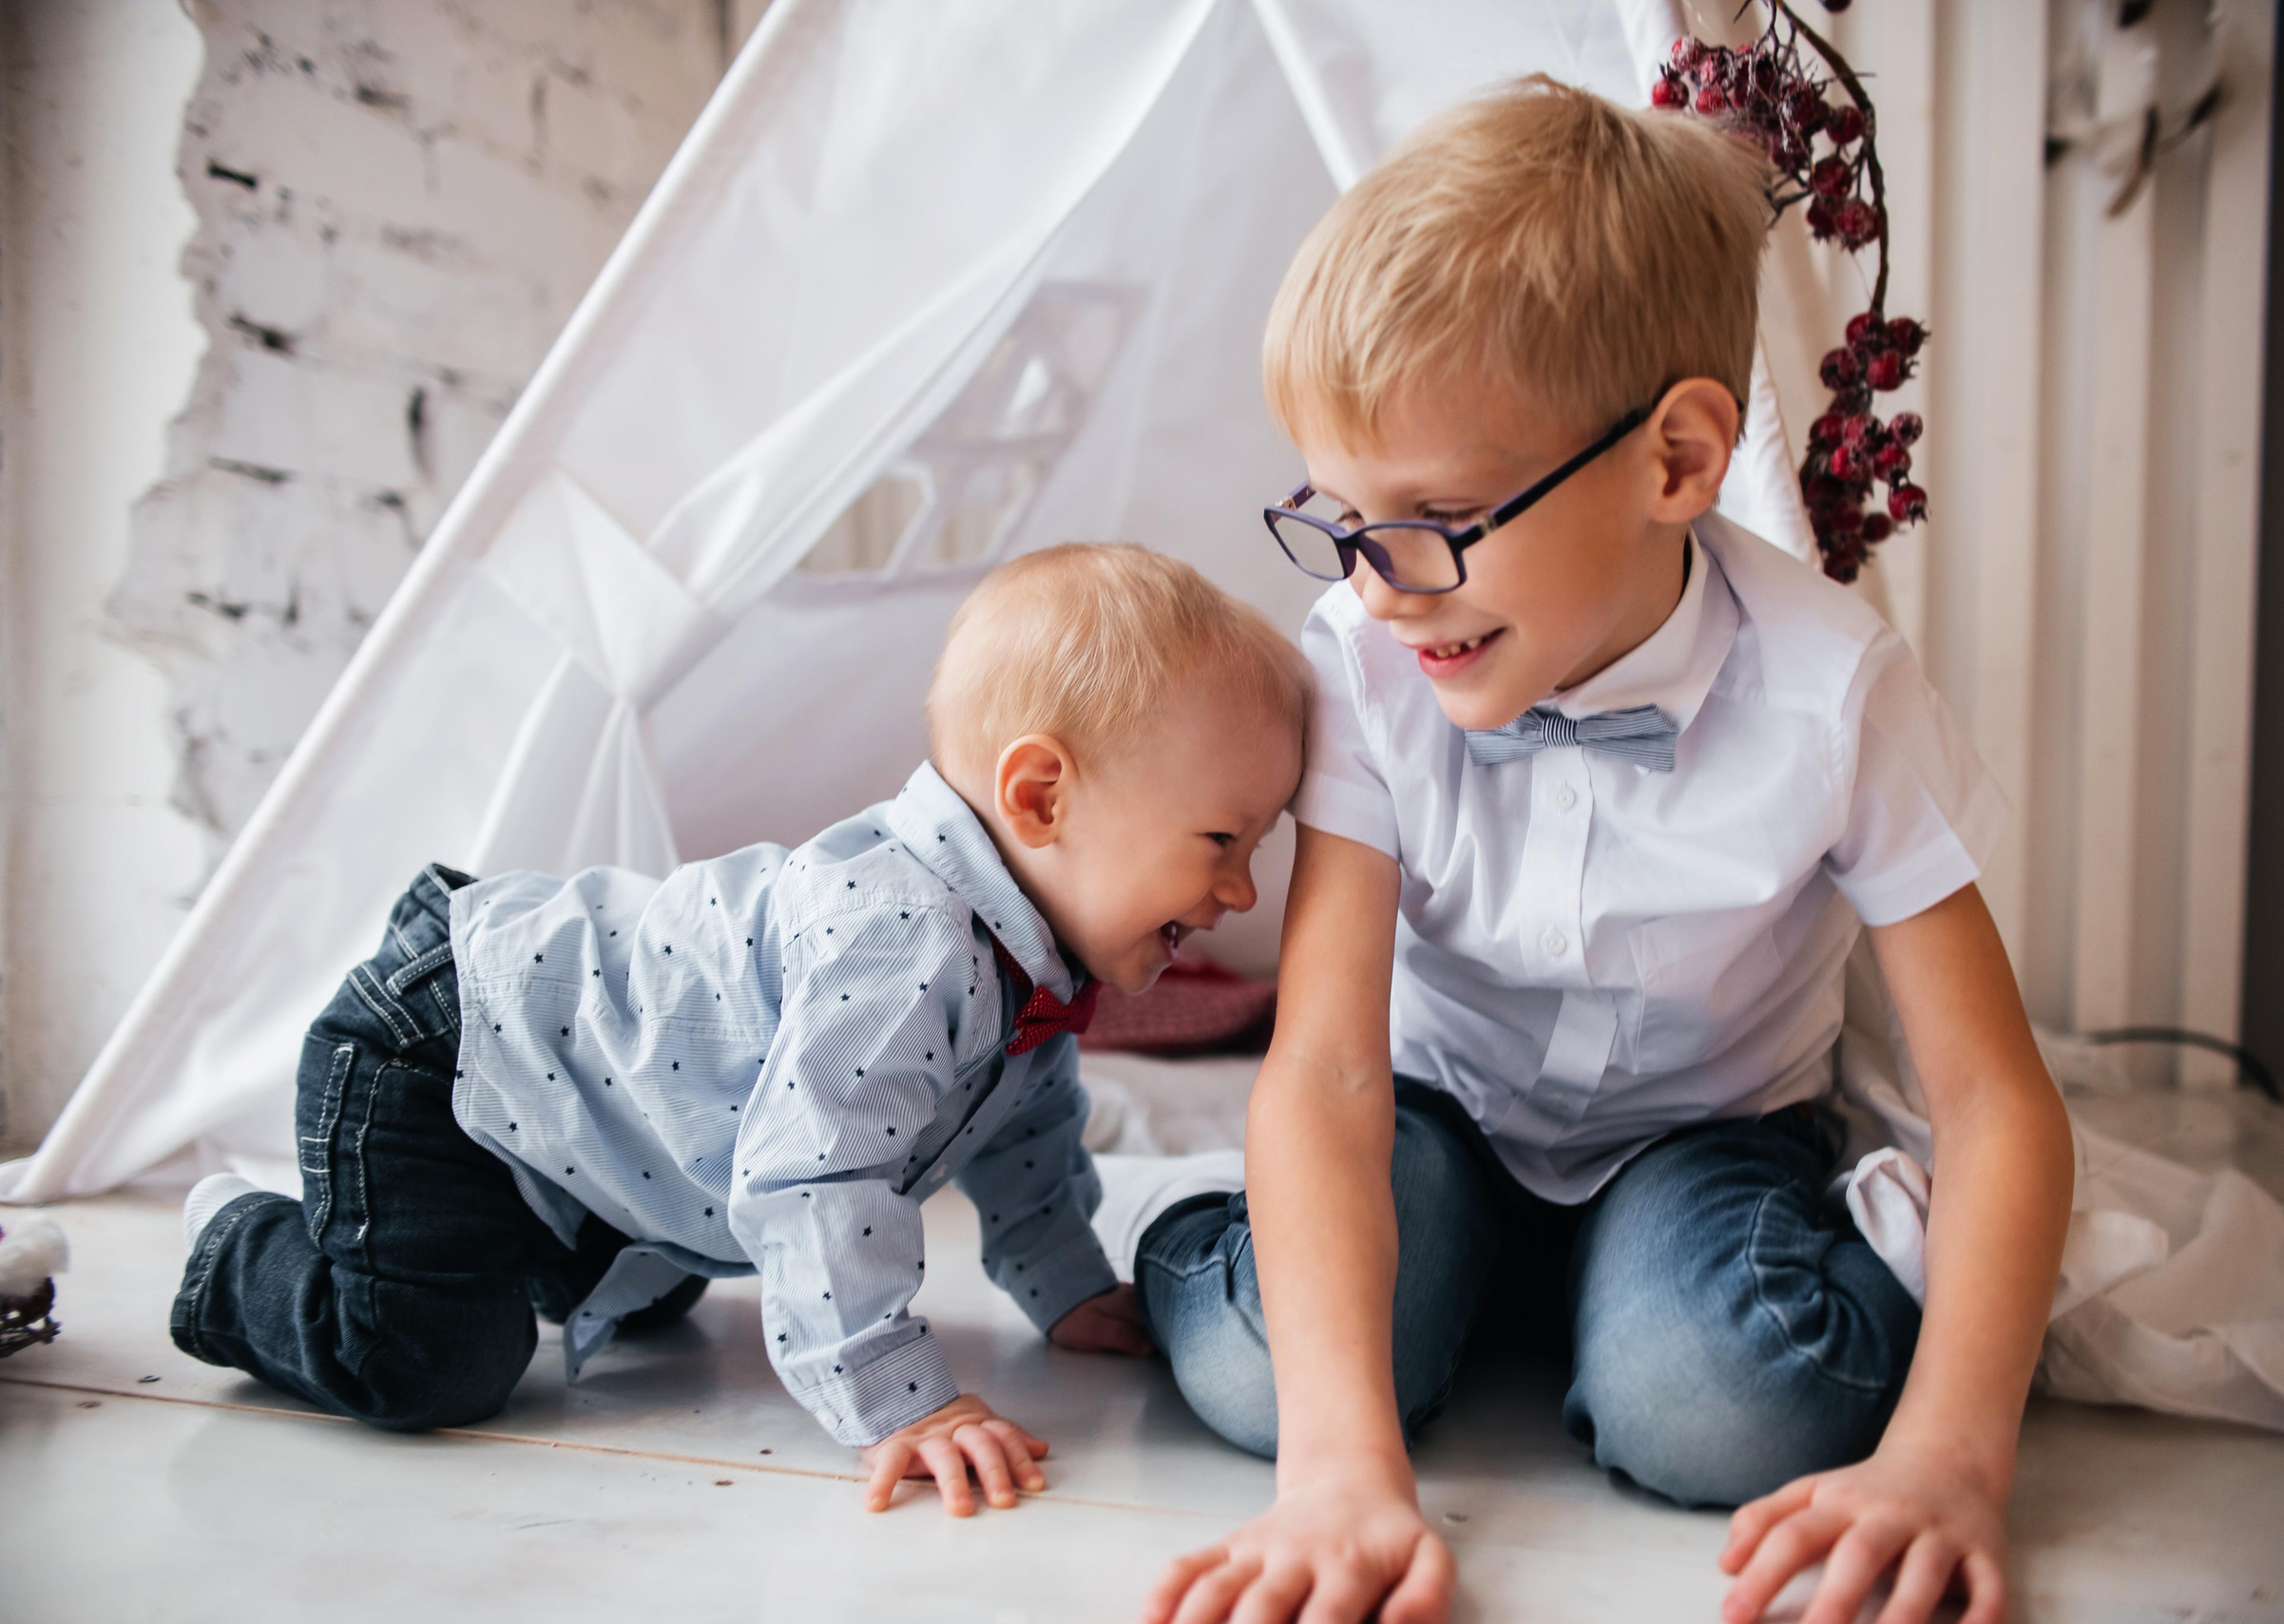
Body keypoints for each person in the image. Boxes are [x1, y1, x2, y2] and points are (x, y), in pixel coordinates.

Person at [1122, 78, 2073, 1624]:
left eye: (1433, 515)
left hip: (1700, 1132)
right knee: (1254, 1368)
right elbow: (1327, 1070)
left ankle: (1641, 1288)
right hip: (1434, 1110)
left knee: (1727, 1402)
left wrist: (1952, 1457)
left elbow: (1997, 1097)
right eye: (1346, 521)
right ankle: (1242, 1247)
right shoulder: (1364, 655)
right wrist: (1340, 1470)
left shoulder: (1837, 690)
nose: (1379, 588)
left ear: (1678, 460)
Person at [169, 543, 1311, 1519]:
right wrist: (897, 1391)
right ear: (1041, 799)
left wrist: (1065, 1284)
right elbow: (817, 1177)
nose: (1242, 890)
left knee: (661, 1290)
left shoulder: (1033, 964)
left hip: (583, 1106)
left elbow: (1026, 1137)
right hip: (444, 1038)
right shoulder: (902, 934)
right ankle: (237, 1244)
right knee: (429, 1360)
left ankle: (508, 1229)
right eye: (1220, 839)